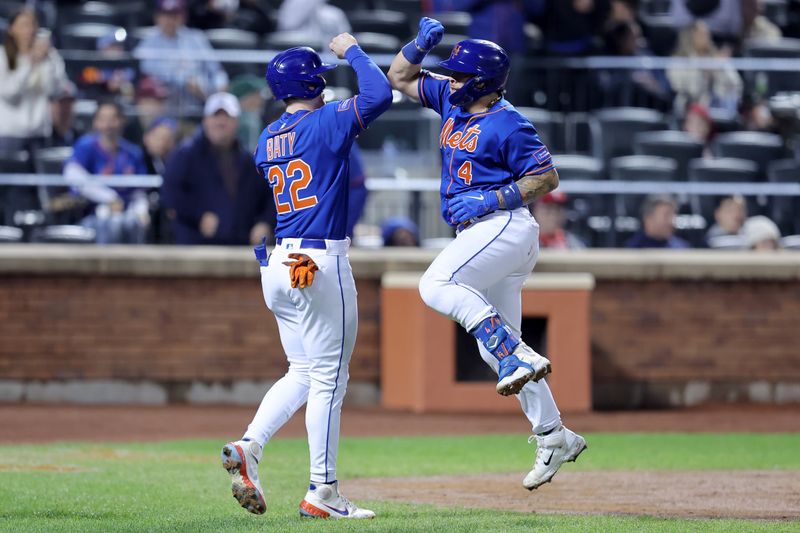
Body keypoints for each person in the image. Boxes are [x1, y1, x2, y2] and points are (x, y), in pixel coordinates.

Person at [387, 18, 587, 491]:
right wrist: (417, 46)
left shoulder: (509, 121)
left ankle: (516, 355)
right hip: (486, 235)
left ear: (480, 82)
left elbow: (546, 177)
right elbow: (399, 77)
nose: (449, 80)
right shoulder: (452, 102)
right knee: (491, 344)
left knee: (435, 284)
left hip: (503, 226)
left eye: (458, 74)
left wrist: (493, 198)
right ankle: (554, 434)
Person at [220, 34, 392, 519]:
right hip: (318, 261)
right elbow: (379, 95)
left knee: (304, 371)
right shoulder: (324, 121)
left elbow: (279, 158)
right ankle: (323, 491)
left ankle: (250, 445)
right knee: (329, 382)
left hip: (277, 264)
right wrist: (354, 51)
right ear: (312, 79)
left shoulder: (267, 135)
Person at [161, 92, 275, 245]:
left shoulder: (249, 160)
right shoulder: (185, 154)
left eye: (227, 117)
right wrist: (199, 216)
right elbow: (170, 195)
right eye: (216, 116)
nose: (221, 122)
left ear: (237, 122)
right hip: (195, 246)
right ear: (205, 120)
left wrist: (265, 223)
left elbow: (270, 195)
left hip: (240, 246)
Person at [64, 101, 150, 244]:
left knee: (134, 223)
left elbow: (139, 191)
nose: (108, 125)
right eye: (103, 119)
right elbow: (73, 175)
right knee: (111, 224)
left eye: (113, 119)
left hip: (127, 213)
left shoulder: (133, 152)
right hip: (92, 214)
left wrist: (142, 211)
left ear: (123, 121)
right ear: (95, 122)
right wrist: (110, 198)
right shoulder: (85, 146)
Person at [134, 0, 229, 109]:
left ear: (183, 17)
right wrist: (185, 80)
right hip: (166, 101)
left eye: (174, 15)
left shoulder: (196, 38)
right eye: (165, 15)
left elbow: (216, 70)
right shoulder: (148, 41)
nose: (170, 20)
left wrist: (218, 89)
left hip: (200, 99)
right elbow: (146, 72)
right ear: (157, 17)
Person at [0, 8, 67, 153]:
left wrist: (48, 59)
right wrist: (31, 64)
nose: (29, 30)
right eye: (24, 25)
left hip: (40, 133)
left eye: (33, 25)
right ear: (12, 29)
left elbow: (57, 90)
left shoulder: (49, 56)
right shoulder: (3, 57)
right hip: (10, 134)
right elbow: (10, 93)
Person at [667, 20, 743, 113]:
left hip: (718, 106)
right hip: (690, 106)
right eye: (701, 34)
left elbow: (735, 84)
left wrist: (720, 67)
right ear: (690, 36)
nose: (707, 37)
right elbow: (683, 88)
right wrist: (705, 72)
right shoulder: (679, 60)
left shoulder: (717, 58)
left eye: (707, 34)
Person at [625, 194, 691, 248]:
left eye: (673, 215)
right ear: (648, 219)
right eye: (666, 215)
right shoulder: (631, 250)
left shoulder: (682, 249)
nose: (671, 221)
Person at [48, 79, 78, 147]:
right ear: (51, 106)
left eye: (69, 104)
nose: (66, 110)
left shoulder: (80, 138)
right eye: (61, 104)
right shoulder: (41, 138)